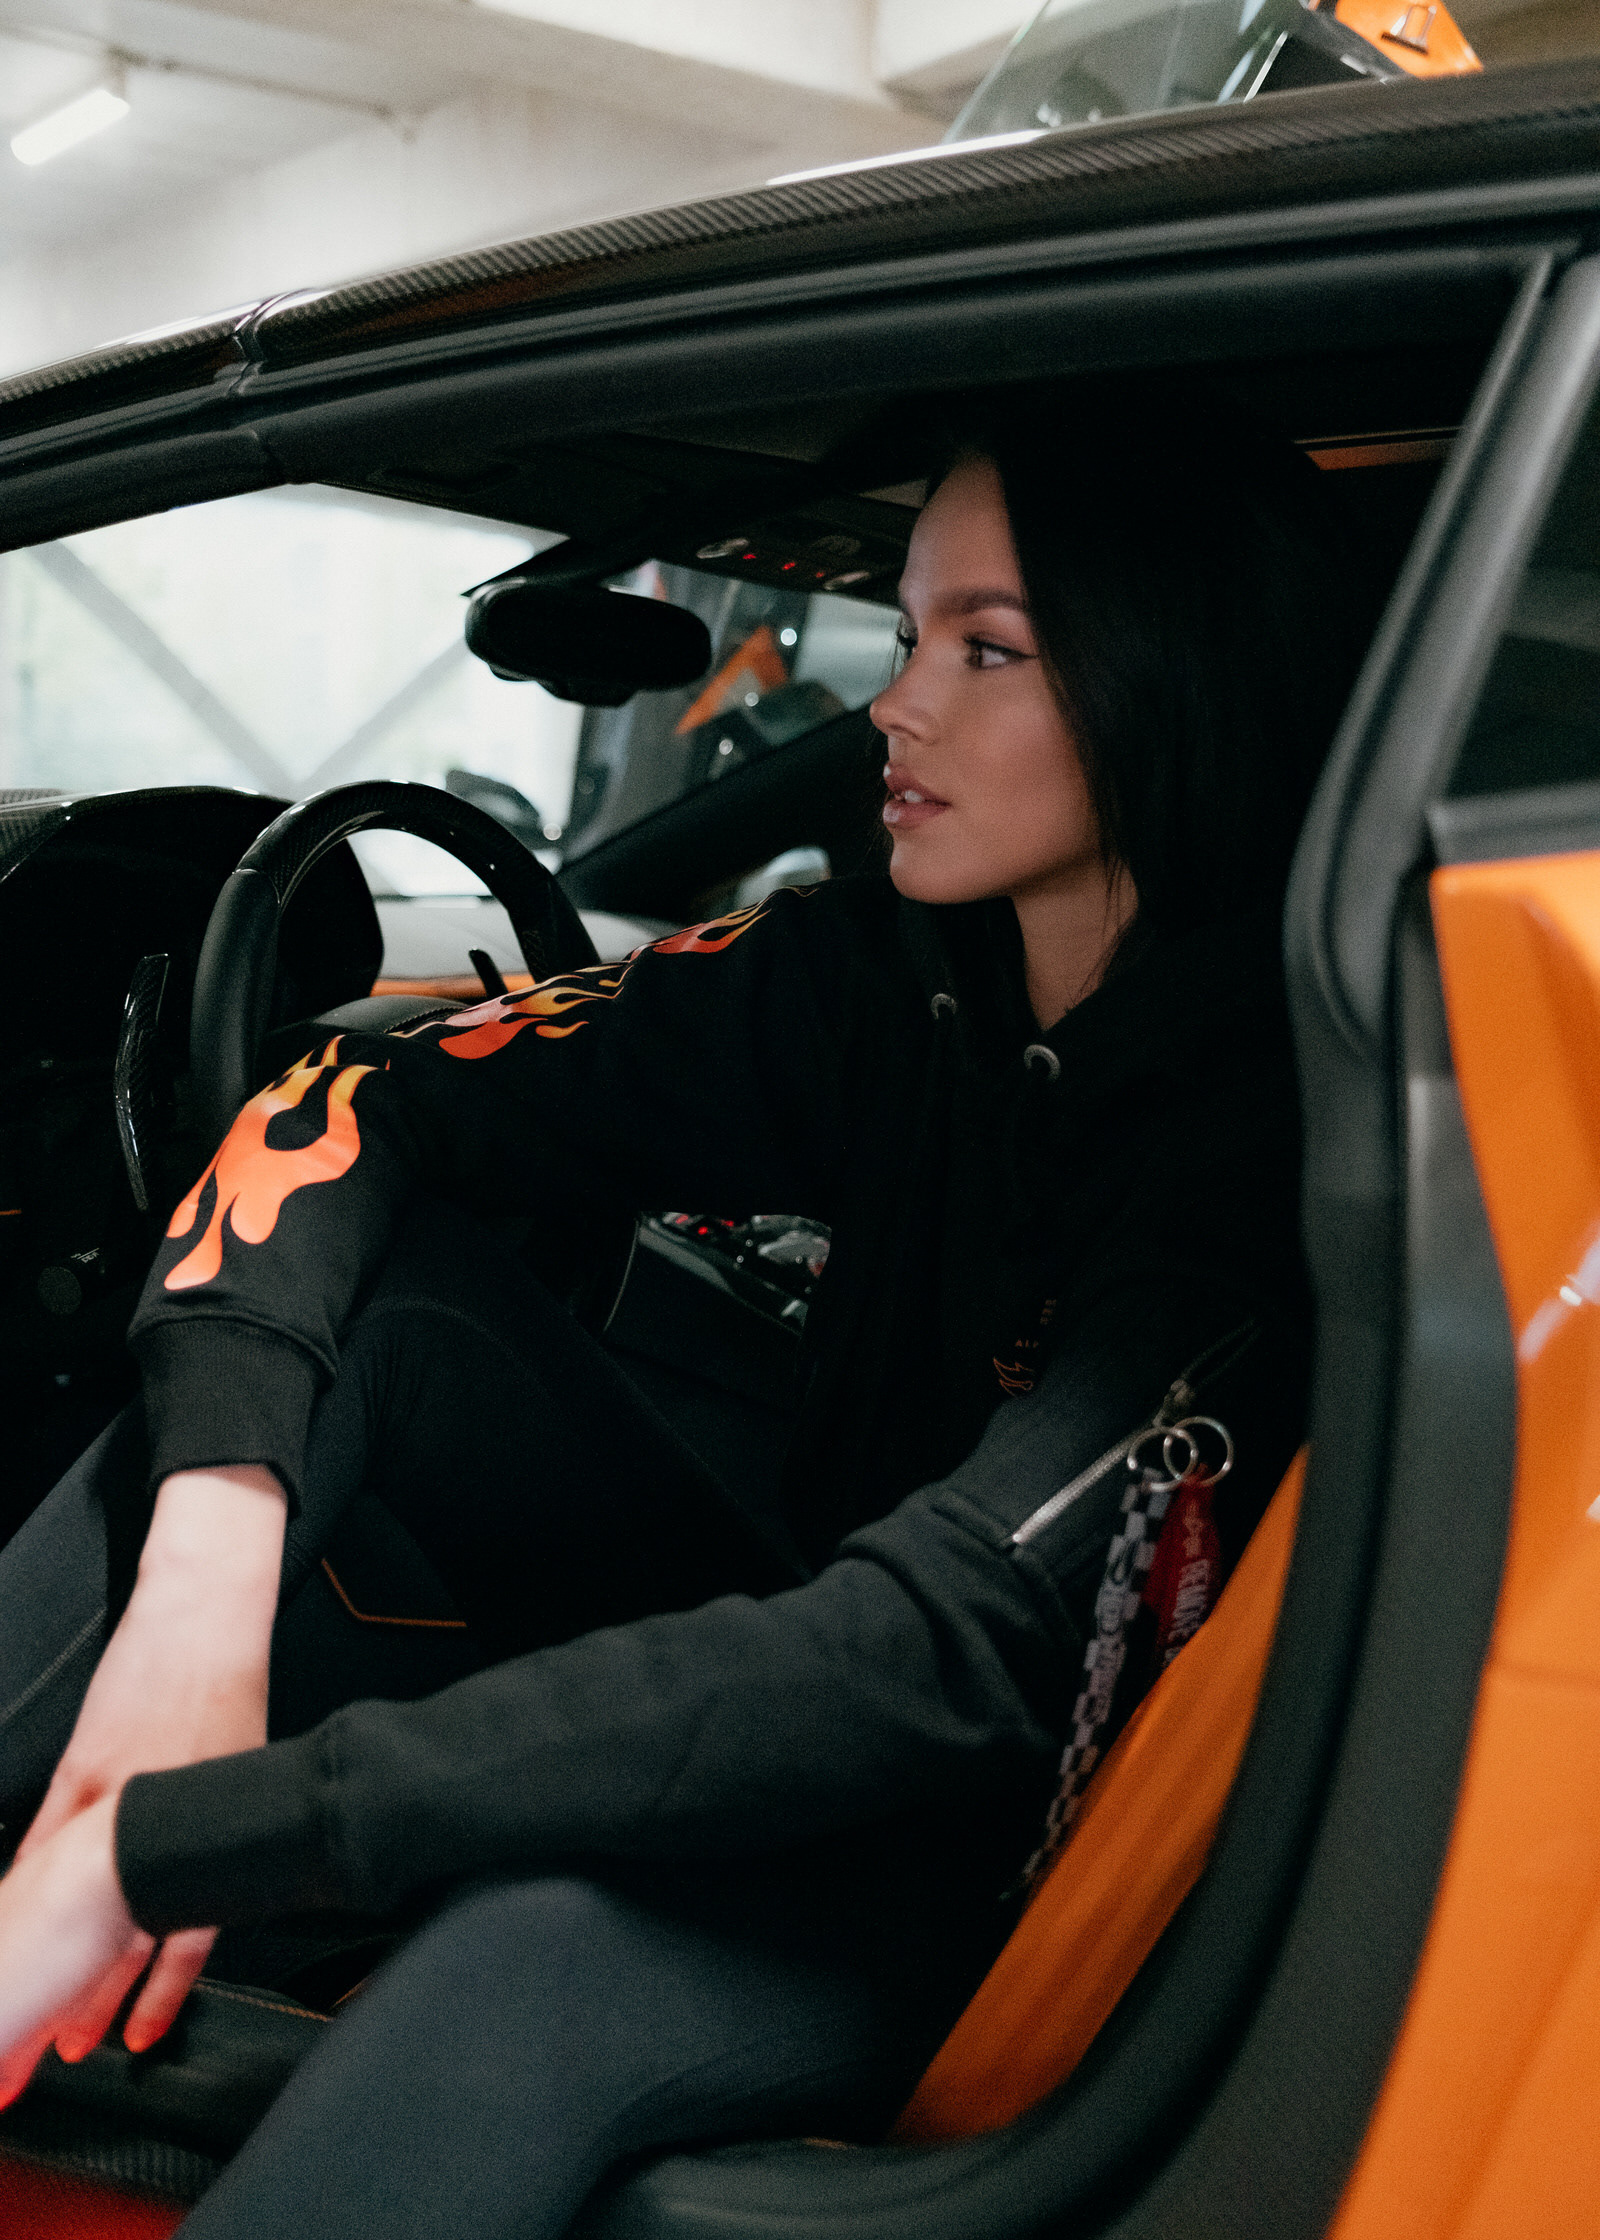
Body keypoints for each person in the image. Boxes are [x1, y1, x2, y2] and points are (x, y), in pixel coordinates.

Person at [0, 388, 1368, 2237]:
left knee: (519, 1970)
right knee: (395, 1321)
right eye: (907, 634)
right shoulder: (885, 974)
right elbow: (356, 1100)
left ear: (1173, 684)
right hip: (811, 1639)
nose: (895, 706)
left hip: (1000, 1846)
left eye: (987, 650)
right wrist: (205, 1582)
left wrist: (178, 1844)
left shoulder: (1272, 1128)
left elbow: (924, 1655)